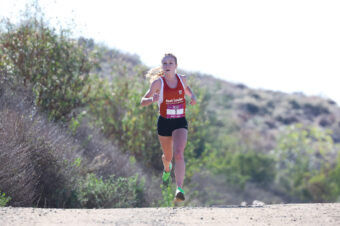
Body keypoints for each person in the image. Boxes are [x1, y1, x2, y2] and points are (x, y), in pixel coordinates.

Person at [140, 53, 197, 202]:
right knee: (168, 157)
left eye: (170, 63)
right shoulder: (158, 83)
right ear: (162, 66)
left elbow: (187, 89)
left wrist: (193, 97)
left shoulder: (182, 79)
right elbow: (142, 101)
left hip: (179, 122)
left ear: (176, 66)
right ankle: (166, 170)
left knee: (179, 153)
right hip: (164, 123)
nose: (167, 66)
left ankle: (179, 189)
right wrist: (151, 99)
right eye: (165, 63)